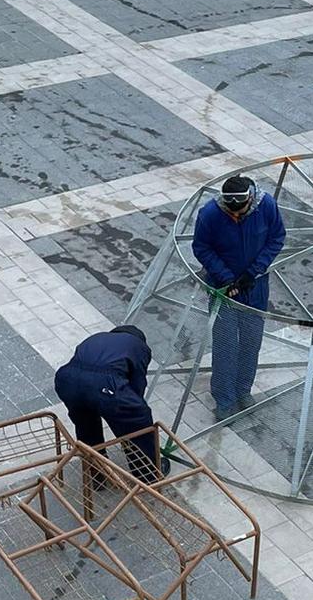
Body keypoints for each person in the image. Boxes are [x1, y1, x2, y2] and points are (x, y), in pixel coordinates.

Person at [191, 172, 286, 419]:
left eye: (240, 212)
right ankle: (224, 399)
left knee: (251, 342)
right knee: (225, 345)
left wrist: (253, 272)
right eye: (230, 212)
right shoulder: (210, 214)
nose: (235, 216)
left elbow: (276, 238)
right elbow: (201, 247)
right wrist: (225, 276)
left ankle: (243, 390)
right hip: (223, 289)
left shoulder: (266, 206)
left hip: (255, 287)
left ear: (251, 199)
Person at [54, 325, 164, 477]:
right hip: (104, 384)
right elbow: (137, 384)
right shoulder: (139, 346)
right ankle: (148, 474)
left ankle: (96, 474)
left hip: (66, 380)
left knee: (86, 426)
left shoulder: (97, 337)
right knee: (138, 421)